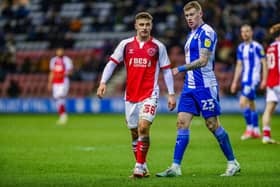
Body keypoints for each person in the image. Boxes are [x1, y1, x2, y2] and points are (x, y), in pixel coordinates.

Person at [156, 1, 240, 177]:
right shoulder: (192, 33)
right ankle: (175, 167)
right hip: (189, 87)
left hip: (205, 86)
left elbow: (203, 61)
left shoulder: (207, 32)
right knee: (181, 122)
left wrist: (179, 69)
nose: (189, 18)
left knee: (212, 124)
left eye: (192, 15)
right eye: (186, 16)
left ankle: (233, 163)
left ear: (200, 14)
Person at [96, 12, 176, 178]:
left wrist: (171, 94)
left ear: (151, 26)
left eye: (147, 24)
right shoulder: (125, 45)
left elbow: (166, 71)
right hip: (131, 96)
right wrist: (103, 82)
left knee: (143, 127)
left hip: (150, 94)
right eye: (141, 25)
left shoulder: (158, 47)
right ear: (136, 26)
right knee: (134, 133)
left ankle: (138, 167)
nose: (144, 28)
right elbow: (112, 64)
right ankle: (144, 165)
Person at [230, 24, 268, 140]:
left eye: (247, 31)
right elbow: (239, 65)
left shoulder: (257, 46)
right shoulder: (241, 47)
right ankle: (256, 130)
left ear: (251, 33)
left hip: (253, 79)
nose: (245, 34)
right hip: (245, 79)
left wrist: (264, 79)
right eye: (242, 32)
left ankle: (249, 129)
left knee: (242, 102)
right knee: (251, 104)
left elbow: (264, 63)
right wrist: (234, 82)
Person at [261, 23, 280, 144]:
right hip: (279, 81)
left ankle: (266, 136)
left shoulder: (270, 48)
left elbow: (268, 66)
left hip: (271, 83)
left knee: (268, 109)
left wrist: (266, 80)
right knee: (269, 109)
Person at [48, 47, 73, 125]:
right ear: (56, 52)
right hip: (56, 82)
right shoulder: (53, 60)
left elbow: (70, 72)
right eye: (58, 51)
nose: (60, 52)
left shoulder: (67, 60)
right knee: (57, 99)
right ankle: (62, 115)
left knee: (60, 97)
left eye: (61, 51)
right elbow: (52, 72)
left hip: (64, 81)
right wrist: (49, 82)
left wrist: (62, 74)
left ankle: (63, 116)